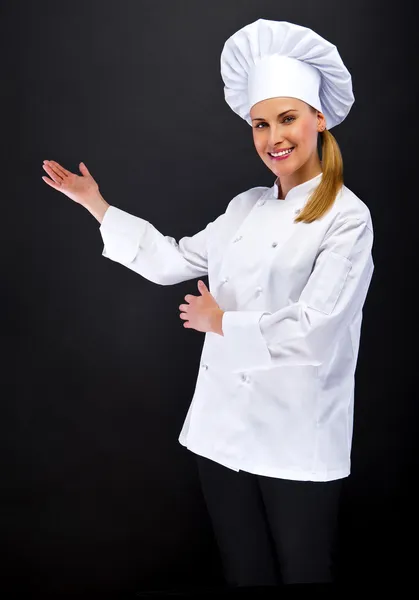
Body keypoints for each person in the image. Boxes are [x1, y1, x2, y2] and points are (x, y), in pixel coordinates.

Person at [41, 18, 374, 587]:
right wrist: (95, 204)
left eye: (287, 118)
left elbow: (317, 329)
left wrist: (221, 323)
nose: (274, 137)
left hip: (297, 435)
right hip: (220, 431)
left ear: (319, 118)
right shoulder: (245, 206)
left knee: (303, 571)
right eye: (260, 123)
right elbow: (172, 260)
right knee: (244, 570)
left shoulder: (347, 216)